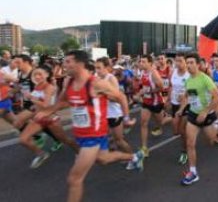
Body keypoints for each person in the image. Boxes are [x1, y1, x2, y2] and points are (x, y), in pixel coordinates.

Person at [34, 50, 143, 202]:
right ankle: (134, 156)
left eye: (67, 62)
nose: (64, 65)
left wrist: (126, 118)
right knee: (103, 159)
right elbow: (63, 102)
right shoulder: (70, 82)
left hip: (94, 135)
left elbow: (121, 97)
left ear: (79, 64)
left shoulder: (96, 83)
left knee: (74, 179)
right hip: (81, 134)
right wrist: (47, 111)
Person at [19, 65, 79, 168]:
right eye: (35, 74)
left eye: (40, 74)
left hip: (51, 119)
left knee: (65, 140)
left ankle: (79, 152)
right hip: (38, 119)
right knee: (23, 140)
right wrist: (33, 107)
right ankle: (41, 154)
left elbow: (46, 105)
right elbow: (38, 104)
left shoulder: (49, 87)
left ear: (46, 75)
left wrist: (31, 97)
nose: (37, 77)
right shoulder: (37, 87)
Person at [179, 53, 218, 185]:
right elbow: (188, 96)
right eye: (188, 63)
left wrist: (205, 111)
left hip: (207, 116)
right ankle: (193, 172)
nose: (189, 65)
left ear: (198, 64)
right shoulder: (188, 80)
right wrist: (181, 108)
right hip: (193, 114)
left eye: (192, 62)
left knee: (212, 140)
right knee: (190, 143)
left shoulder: (205, 79)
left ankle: (217, 127)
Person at [95, 57, 135, 157]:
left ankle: (133, 157)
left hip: (114, 114)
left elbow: (117, 98)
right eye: (96, 68)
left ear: (106, 67)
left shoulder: (111, 78)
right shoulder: (96, 78)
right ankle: (111, 148)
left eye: (99, 68)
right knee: (102, 137)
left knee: (119, 141)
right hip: (103, 114)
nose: (97, 70)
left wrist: (102, 94)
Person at [137, 55, 169, 157]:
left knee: (161, 122)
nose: (141, 64)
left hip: (156, 102)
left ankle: (172, 119)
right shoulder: (142, 72)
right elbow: (143, 86)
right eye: (140, 61)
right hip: (146, 102)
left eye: (143, 62)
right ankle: (144, 148)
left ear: (150, 63)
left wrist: (148, 91)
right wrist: (141, 93)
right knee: (143, 123)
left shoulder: (153, 73)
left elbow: (161, 87)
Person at [167, 53, 190, 165]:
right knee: (175, 131)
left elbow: (195, 91)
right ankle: (189, 139)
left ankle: (184, 152)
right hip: (175, 103)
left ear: (185, 62)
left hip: (186, 105)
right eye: (176, 61)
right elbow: (171, 86)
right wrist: (168, 100)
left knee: (182, 130)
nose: (178, 63)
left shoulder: (189, 75)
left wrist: (185, 96)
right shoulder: (173, 72)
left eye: (180, 61)